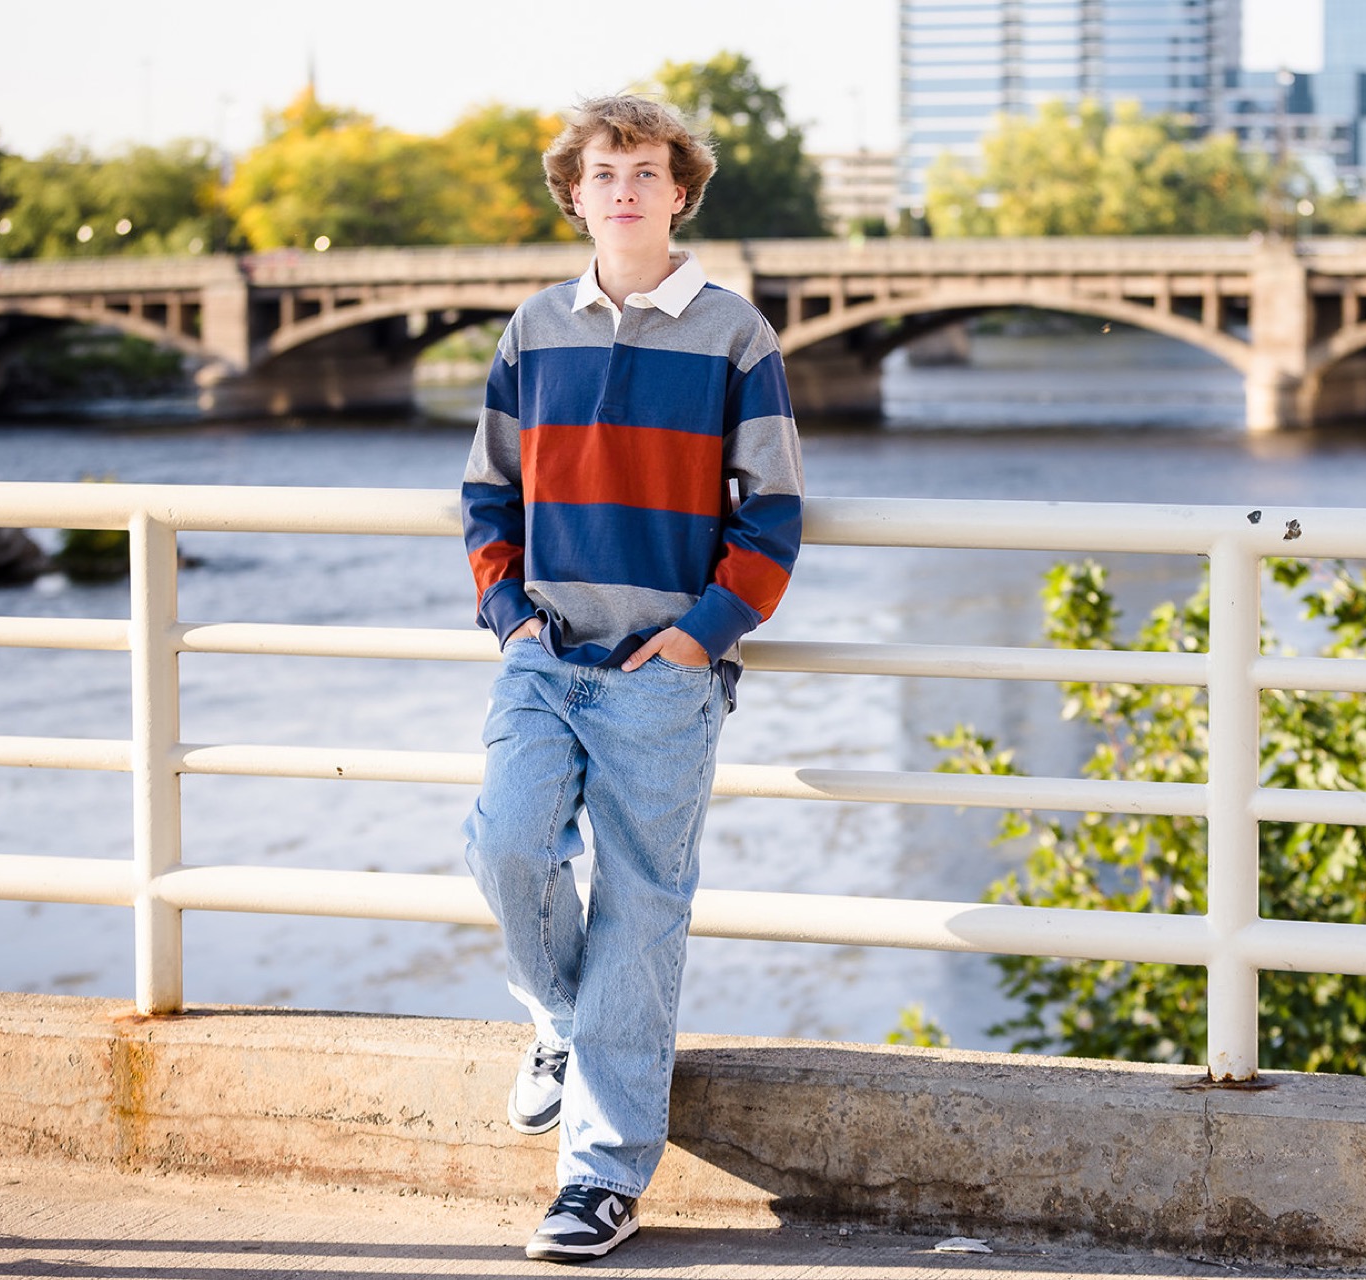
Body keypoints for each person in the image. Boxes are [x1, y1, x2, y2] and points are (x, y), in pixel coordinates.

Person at [459, 93, 803, 1264]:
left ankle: (599, 1178)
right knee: (506, 846)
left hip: (663, 670)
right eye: (603, 171)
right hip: (545, 655)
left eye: (646, 171)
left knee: (643, 911)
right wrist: (508, 616)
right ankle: (559, 1017)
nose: (623, 190)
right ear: (574, 191)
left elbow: (774, 512)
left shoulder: (734, 335)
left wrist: (704, 632)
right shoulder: (531, 328)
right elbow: (487, 493)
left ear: (679, 191)